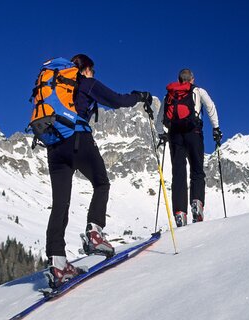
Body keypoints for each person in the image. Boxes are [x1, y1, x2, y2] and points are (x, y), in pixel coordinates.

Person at [45, 54, 153, 288]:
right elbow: (117, 100)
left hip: (53, 146)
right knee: (101, 183)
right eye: (93, 70)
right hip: (78, 139)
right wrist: (139, 96)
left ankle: (58, 264)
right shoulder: (85, 83)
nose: (94, 74)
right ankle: (95, 233)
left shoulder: (54, 86)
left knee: (60, 204)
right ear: (86, 70)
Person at [156, 69, 222, 228]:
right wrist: (216, 128)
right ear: (192, 79)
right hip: (194, 132)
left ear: (179, 80)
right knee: (197, 169)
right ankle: (197, 203)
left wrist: (161, 134)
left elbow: (160, 118)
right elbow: (210, 107)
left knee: (178, 173)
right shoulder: (198, 91)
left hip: (175, 135)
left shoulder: (169, 95)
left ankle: (179, 212)